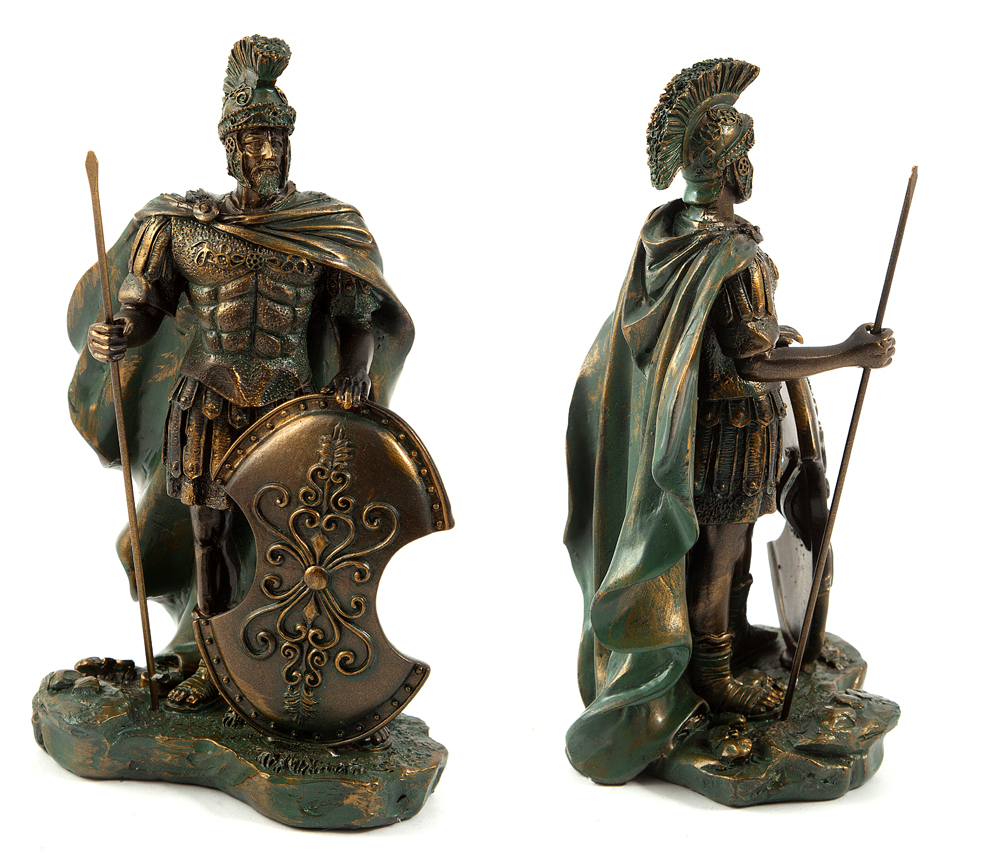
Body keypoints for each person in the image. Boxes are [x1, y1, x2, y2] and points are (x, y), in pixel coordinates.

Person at [563, 58, 894, 784]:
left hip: (702, 424)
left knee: (729, 546)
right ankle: (714, 673)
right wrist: (849, 353)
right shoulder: (732, 255)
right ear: (727, 165)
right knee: (721, 546)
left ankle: (730, 633)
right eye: (746, 150)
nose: (752, 165)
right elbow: (754, 359)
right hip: (729, 429)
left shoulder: (671, 236)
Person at [70, 35, 413, 710]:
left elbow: (356, 317)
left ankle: (286, 666)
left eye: (278, 142)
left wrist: (355, 373)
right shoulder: (183, 226)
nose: (269, 154)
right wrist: (119, 333)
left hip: (290, 404)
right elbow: (145, 304)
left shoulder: (324, 227)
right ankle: (213, 660)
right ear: (231, 147)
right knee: (211, 537)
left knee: (296, 542)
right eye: (256, 141)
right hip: (210, 398)